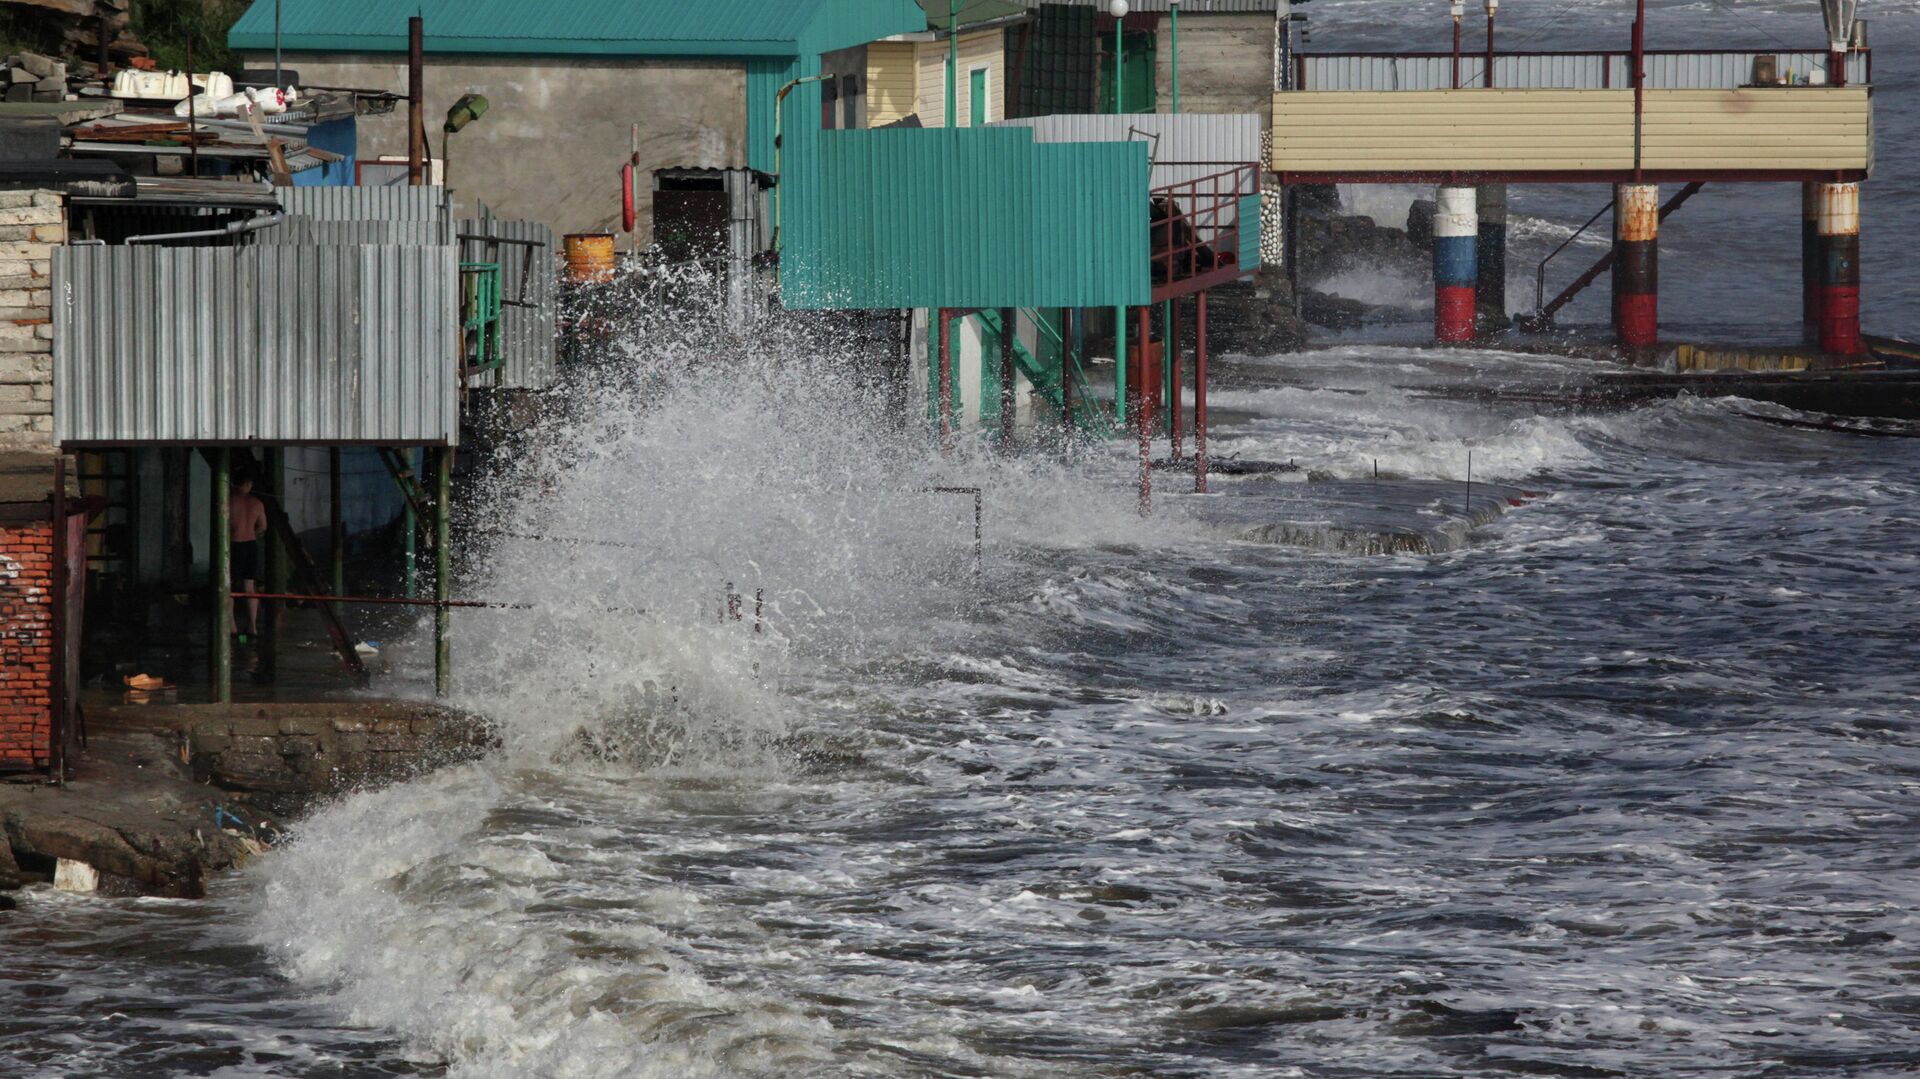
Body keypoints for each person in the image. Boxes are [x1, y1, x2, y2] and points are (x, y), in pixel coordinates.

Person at [229, 476, 269, 642]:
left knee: (229, 587)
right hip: (250, 545)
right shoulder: (257, 503)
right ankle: (252, 627)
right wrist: (252, 533)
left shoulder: (229, 502)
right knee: (250, 587)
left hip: (234, 544)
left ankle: (232, 626)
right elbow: (263, 527)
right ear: (249, 484)